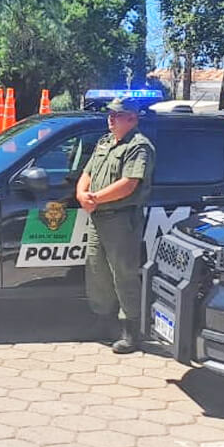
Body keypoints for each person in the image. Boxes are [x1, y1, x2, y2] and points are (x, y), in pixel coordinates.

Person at [77, 99, 155, 354]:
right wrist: (81, 194)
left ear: (132, 118)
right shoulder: (105, 142)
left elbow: (129, 184)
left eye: (117, 115)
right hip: (98, 217)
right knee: (96, 270)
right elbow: (87, 172)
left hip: (120, 219)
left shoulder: (138, 146)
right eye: (110, 114)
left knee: (123, 274)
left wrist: (94, 199)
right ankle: (102, 322)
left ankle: (131, 331)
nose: (111, 118)